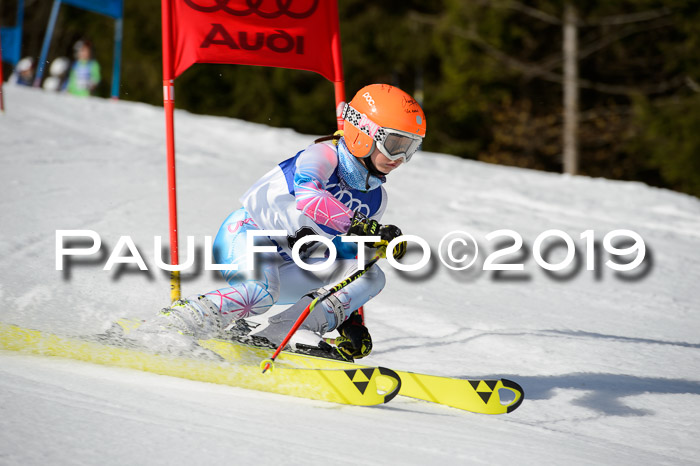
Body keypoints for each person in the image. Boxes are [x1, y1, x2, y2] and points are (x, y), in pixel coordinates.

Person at [138, 84, 426, 361]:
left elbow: (343, 260)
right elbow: (309, 195)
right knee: (259, 293)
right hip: (248, 238)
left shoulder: (376, 198)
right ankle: (175, 323)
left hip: (294, 264)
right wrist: (358, 225)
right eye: (394, 144)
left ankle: (286, 331)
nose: (399, 158)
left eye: (410, 148)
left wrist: (349, 322)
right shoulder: (324, 154)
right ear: (364, 133)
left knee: (372, 274)